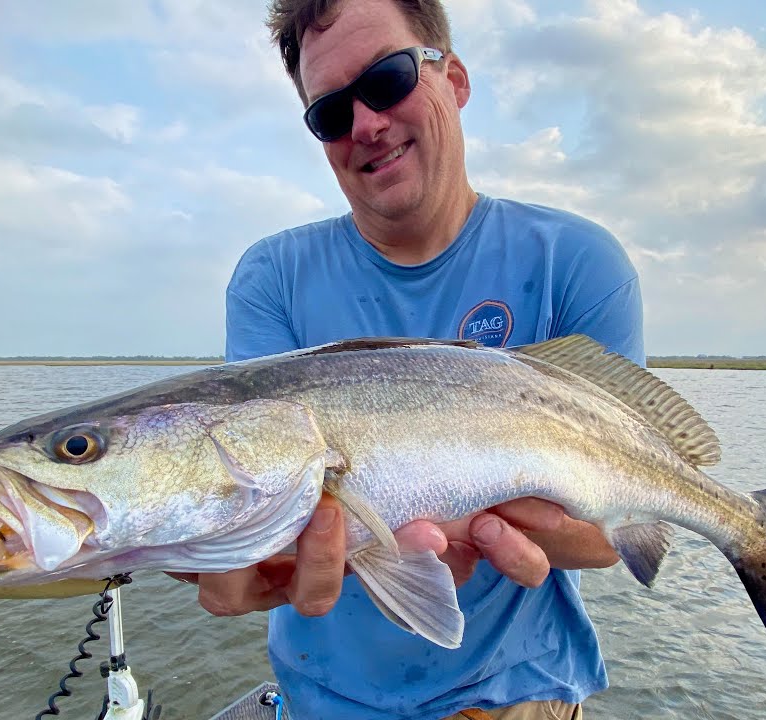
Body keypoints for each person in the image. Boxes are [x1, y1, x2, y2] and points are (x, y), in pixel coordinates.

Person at [173, 1, 645, 718]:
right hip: (320, 700)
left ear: (453, 78)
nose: (365, 124)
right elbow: (259, 487)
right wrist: (221, 553)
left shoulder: (577, 261)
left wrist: (501, 522)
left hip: (517, 695)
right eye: (331, 113)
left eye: (387, 79)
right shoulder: (271, 277)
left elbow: (619, 531)